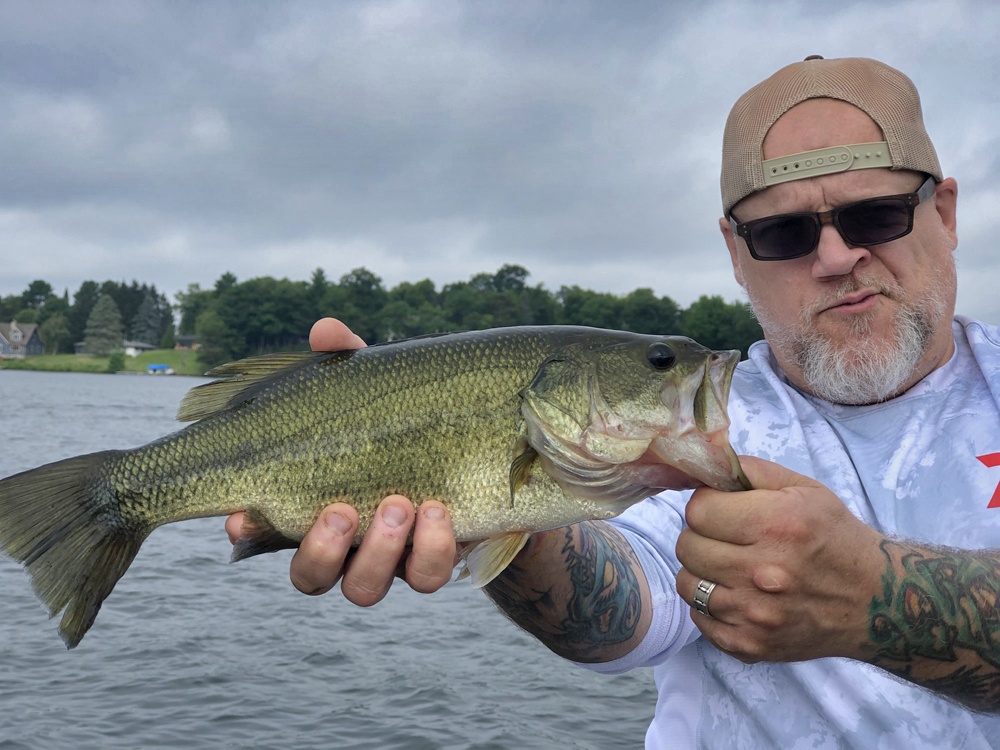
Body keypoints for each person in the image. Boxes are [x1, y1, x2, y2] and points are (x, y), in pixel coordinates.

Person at [226, 56, 1000, 746]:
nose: (836, 257)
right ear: (736, 254)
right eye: (784, 233)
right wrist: (500, 518)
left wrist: (874, 598)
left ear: (946, 215)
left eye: (876, 215)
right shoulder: (689, 433)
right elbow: (622, 613)